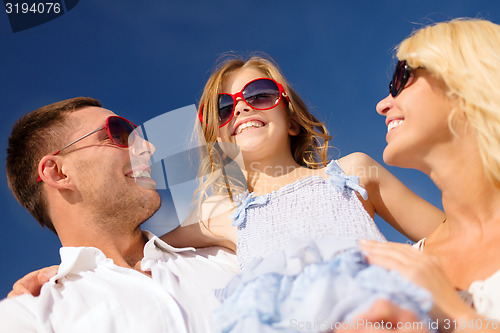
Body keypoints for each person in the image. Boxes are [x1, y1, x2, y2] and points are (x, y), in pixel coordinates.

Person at [158, 55, 445, 331]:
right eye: (223, 108)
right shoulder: (225, 215)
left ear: (292, 120)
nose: (242, 109)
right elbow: (138, 247)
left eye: (259, 94)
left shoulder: (353, 172)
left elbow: (453, 234)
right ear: (219, 140)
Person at [0, 97, 238, 332]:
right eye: (119, 134)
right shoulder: (31, 317)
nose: (148, 147)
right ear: (59, 173)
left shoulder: (230, 256)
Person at [349, 18, 500, 332]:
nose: (382, 104)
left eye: (401, 77)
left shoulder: (412, 272)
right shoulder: (402, 267)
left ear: (466, 83)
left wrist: (452, 311)